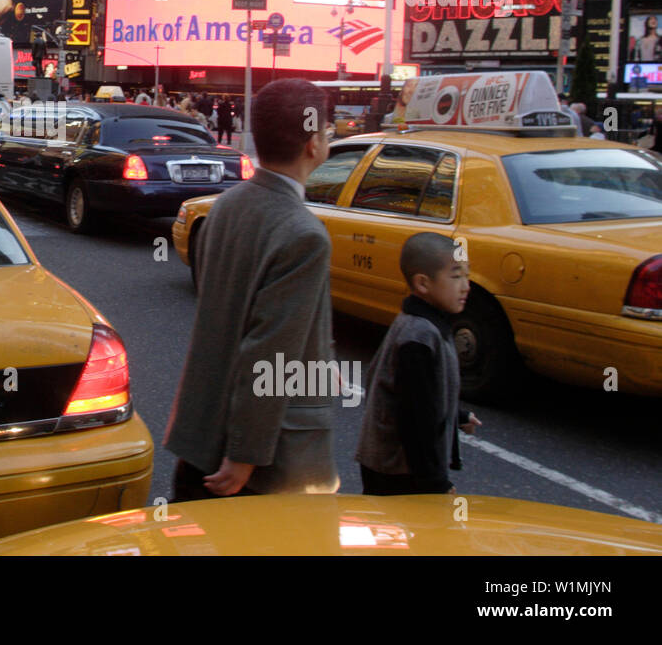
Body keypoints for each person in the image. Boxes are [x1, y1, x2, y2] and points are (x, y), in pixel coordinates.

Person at [165, 78, 338, 498]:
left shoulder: (224, 207)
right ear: (312, 143)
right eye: (328, 130)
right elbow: (271, 353)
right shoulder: (303, 234)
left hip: (202, 433)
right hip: (268, 463)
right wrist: (245, 454)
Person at [356, 232, 482, 496]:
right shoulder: (418, 337)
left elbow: (429, 395)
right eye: (456, 276)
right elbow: (415, 417)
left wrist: (458, 416)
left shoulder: (429, 325)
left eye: (467, 276)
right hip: (397, 471)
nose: (466, 286)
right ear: (423, 284)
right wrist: (435, 483)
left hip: (403, 466)